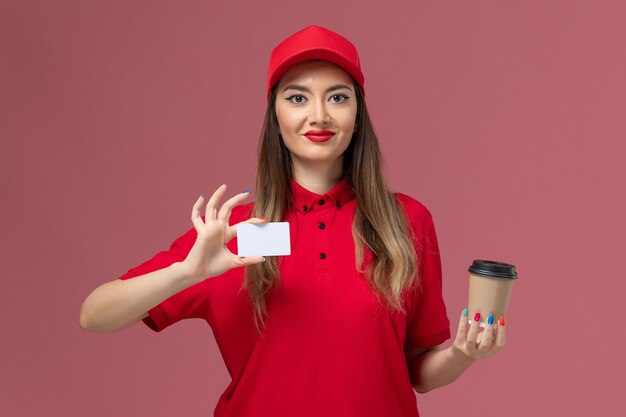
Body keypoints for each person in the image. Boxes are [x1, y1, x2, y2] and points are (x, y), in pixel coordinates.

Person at [80, 25, 506, 417]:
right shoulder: (242, 231)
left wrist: (464, 354)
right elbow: (95, 314)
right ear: (276, 116)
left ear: (358, 114)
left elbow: (417, 372)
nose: (318, 114)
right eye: (297, 97)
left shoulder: (405, 222)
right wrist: (186, 272)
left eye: (338, 96)